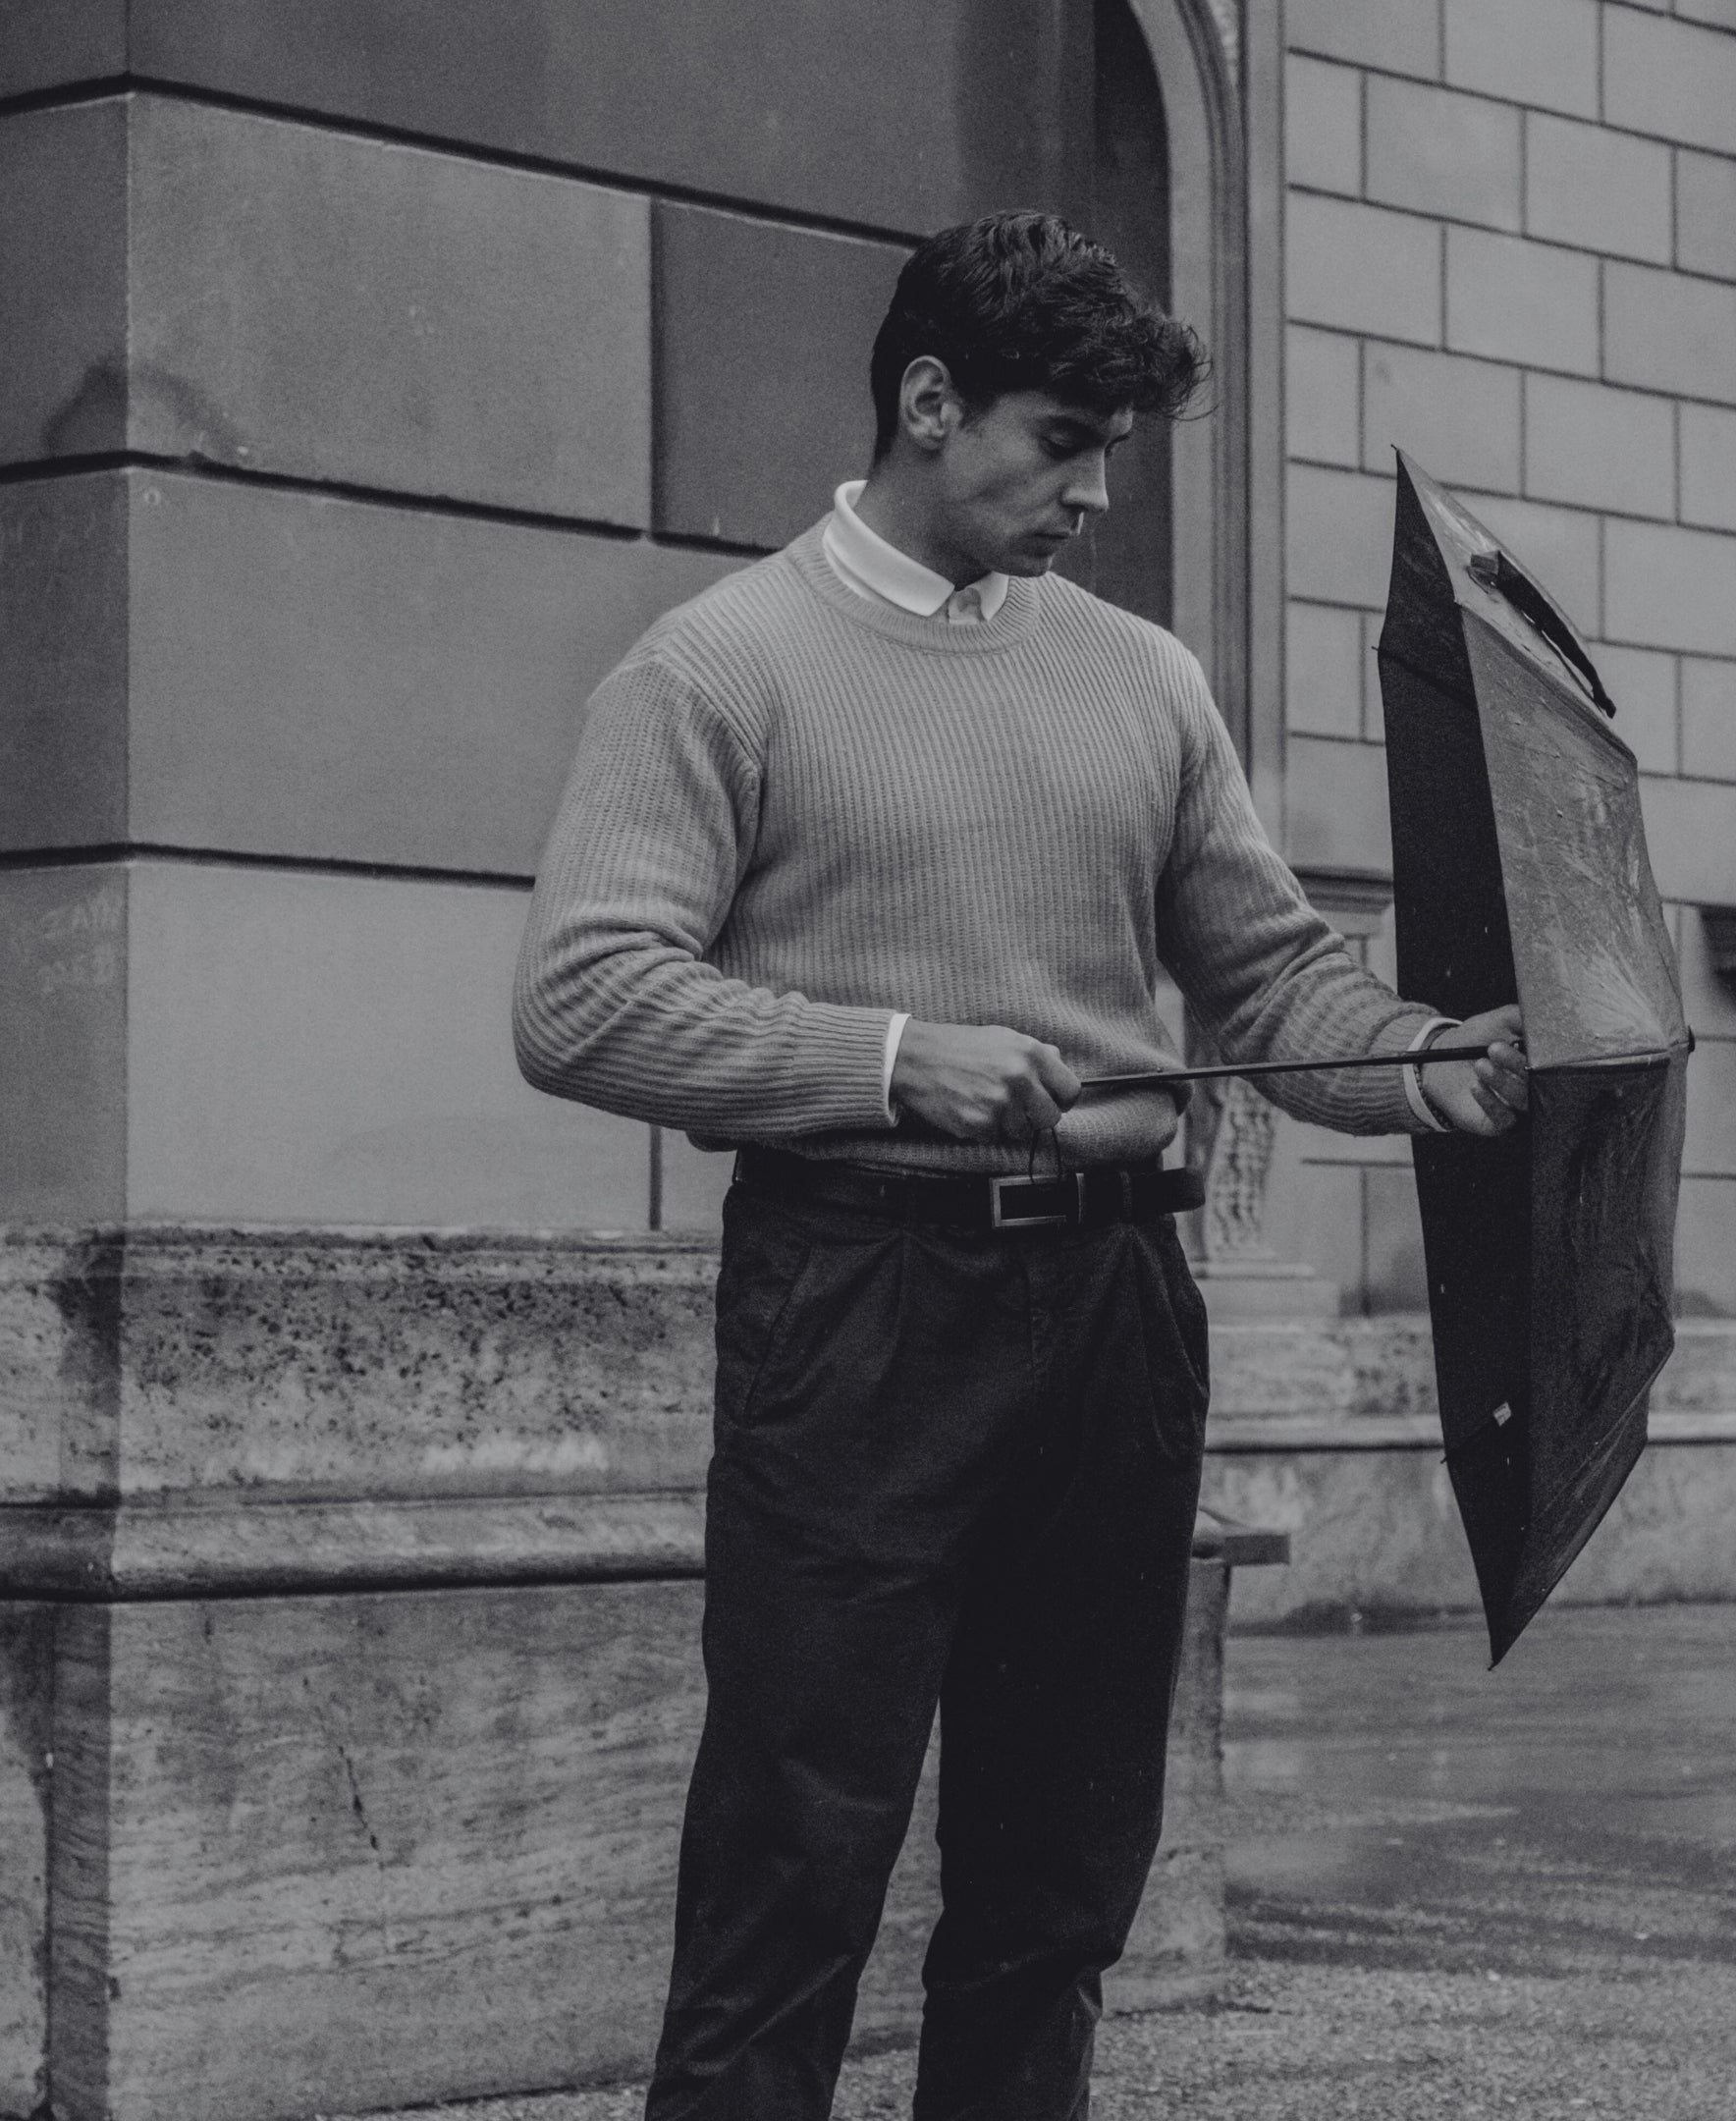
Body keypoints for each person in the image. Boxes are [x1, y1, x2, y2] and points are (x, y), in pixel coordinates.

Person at [514, 210, 1527, 2121]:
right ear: (928, 403)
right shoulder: (716, 669)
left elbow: (1271, 978)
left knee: (1061, 1888)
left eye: (1111, 454)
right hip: (857, 1307)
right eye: (1063, 442)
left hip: (1117, 1315)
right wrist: (896, 1059)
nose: (1094, 494)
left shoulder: (1142, 680)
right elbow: (581, 1000)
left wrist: (1425, 1067)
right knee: (790, 1875)